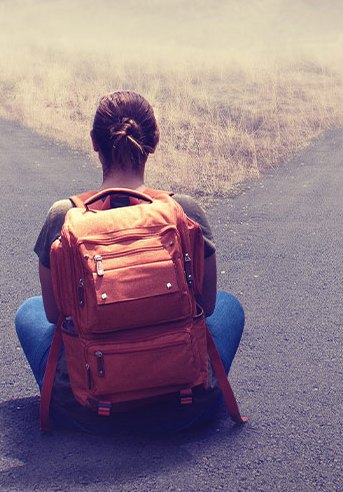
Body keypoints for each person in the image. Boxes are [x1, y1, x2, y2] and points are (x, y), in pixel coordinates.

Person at [15, 90, 245, 434]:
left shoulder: (63, 216)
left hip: (86, 410)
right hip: (185, 408)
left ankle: (83, 390)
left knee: (30, 312)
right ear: (154, 142)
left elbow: (54, 315)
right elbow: (206, 305)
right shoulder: (185, 211)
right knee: (229, 306)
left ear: (94, 142)